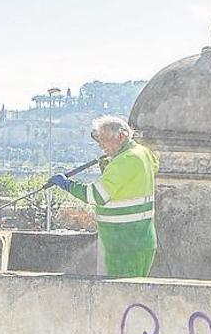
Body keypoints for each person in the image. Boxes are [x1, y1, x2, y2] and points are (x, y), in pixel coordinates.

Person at [48, 116, 159, 277]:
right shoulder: (142, 153)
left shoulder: (126, 160)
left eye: (104, 140)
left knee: (119, 296)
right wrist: (112, 165)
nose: (101, 146)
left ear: (121, 136)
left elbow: (96, 196)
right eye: (99, 141)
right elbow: (152, 167)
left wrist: (68, 185)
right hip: (140, 239)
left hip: (123, 243)